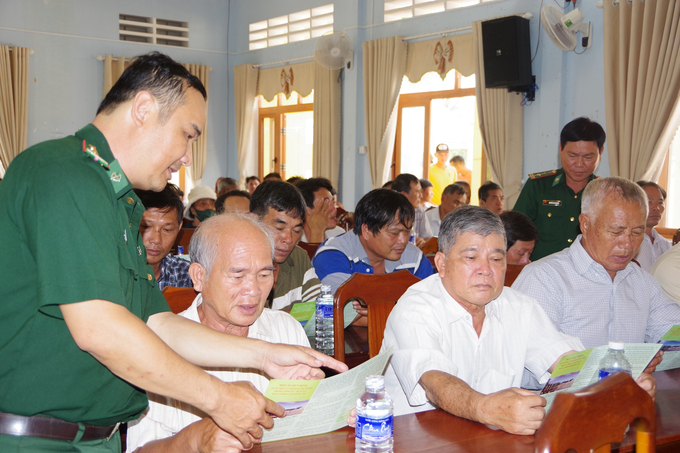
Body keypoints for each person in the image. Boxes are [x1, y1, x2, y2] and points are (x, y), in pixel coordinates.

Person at [0, 51, 345, 452]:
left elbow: (159, 324)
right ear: (144, 108)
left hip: (96, 438)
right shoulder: (64, 173)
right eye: (188, 134)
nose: (186, 156)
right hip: (39, 438)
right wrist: (218, 398)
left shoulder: (120, 201)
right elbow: (99, 328)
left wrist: (264, 355)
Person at [381, 206, 655, 434]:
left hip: (491, 439)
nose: (485, 271)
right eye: (471, 257)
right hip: (415, 438)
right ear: (441, 264)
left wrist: (620, 382)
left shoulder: (519, 306)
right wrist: (485, 408)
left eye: (497, 258)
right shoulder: (416, 307)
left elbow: (567, 363)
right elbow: (434, 382)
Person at [126, 214, 312, 452]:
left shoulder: (285, 329)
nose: (254, 290)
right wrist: (194, 439)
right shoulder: (157, 345)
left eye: (264, 275)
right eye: (237, 275)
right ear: (199, 276)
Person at [513, 177, 680, 350]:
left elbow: (672, 331)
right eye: (616, 231)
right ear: (585, 224)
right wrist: (623, 366)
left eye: (637, 232)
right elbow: (540, 354)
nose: (628, 244)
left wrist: (651, 357)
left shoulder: (642, 282)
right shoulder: (545, 279)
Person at [513, 117, 605, 261]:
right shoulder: (537, 186)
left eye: (588, 157)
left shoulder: (607, 193)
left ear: (601, 152)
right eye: (573, 156)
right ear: (560, 149)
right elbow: (515, 231)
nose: (579, 164)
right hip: (541, 271)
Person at [313, 188, 435, 295]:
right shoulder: (333, 254)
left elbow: (434, 301)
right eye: (394, 233)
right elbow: (344, 312)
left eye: (407, 232)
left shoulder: (414, 257)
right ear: (366, 230)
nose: (403, 240)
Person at [250, 180, 322, 312]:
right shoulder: (235, 262)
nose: (289, 239)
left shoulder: (298, 257)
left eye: (296, 230)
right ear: (254, 221)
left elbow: (319, 310)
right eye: (279, 228)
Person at [136, 184, 192, 290]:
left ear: (179, 228)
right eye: (146, 226)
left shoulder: (186, 275)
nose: (156, 240)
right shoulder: (112, 275)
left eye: (167, 230)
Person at [634, 181, 671, 270]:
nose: (656, 208)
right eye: (649, 202)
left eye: (660, 202)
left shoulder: (666, 245)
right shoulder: (627, 242)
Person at [295, 177, 345, 243]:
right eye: (326, 205)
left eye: (333, 203)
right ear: (306, 210)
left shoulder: (339, 234)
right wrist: (317, 231)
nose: (334, 209)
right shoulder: (294, 238)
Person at [392, 173, 433, 244]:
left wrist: (422, 242)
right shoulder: (389, 212)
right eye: (417, 192)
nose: (421, 195)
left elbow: (428, 237)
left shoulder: (419, 210)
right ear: (403, 195)